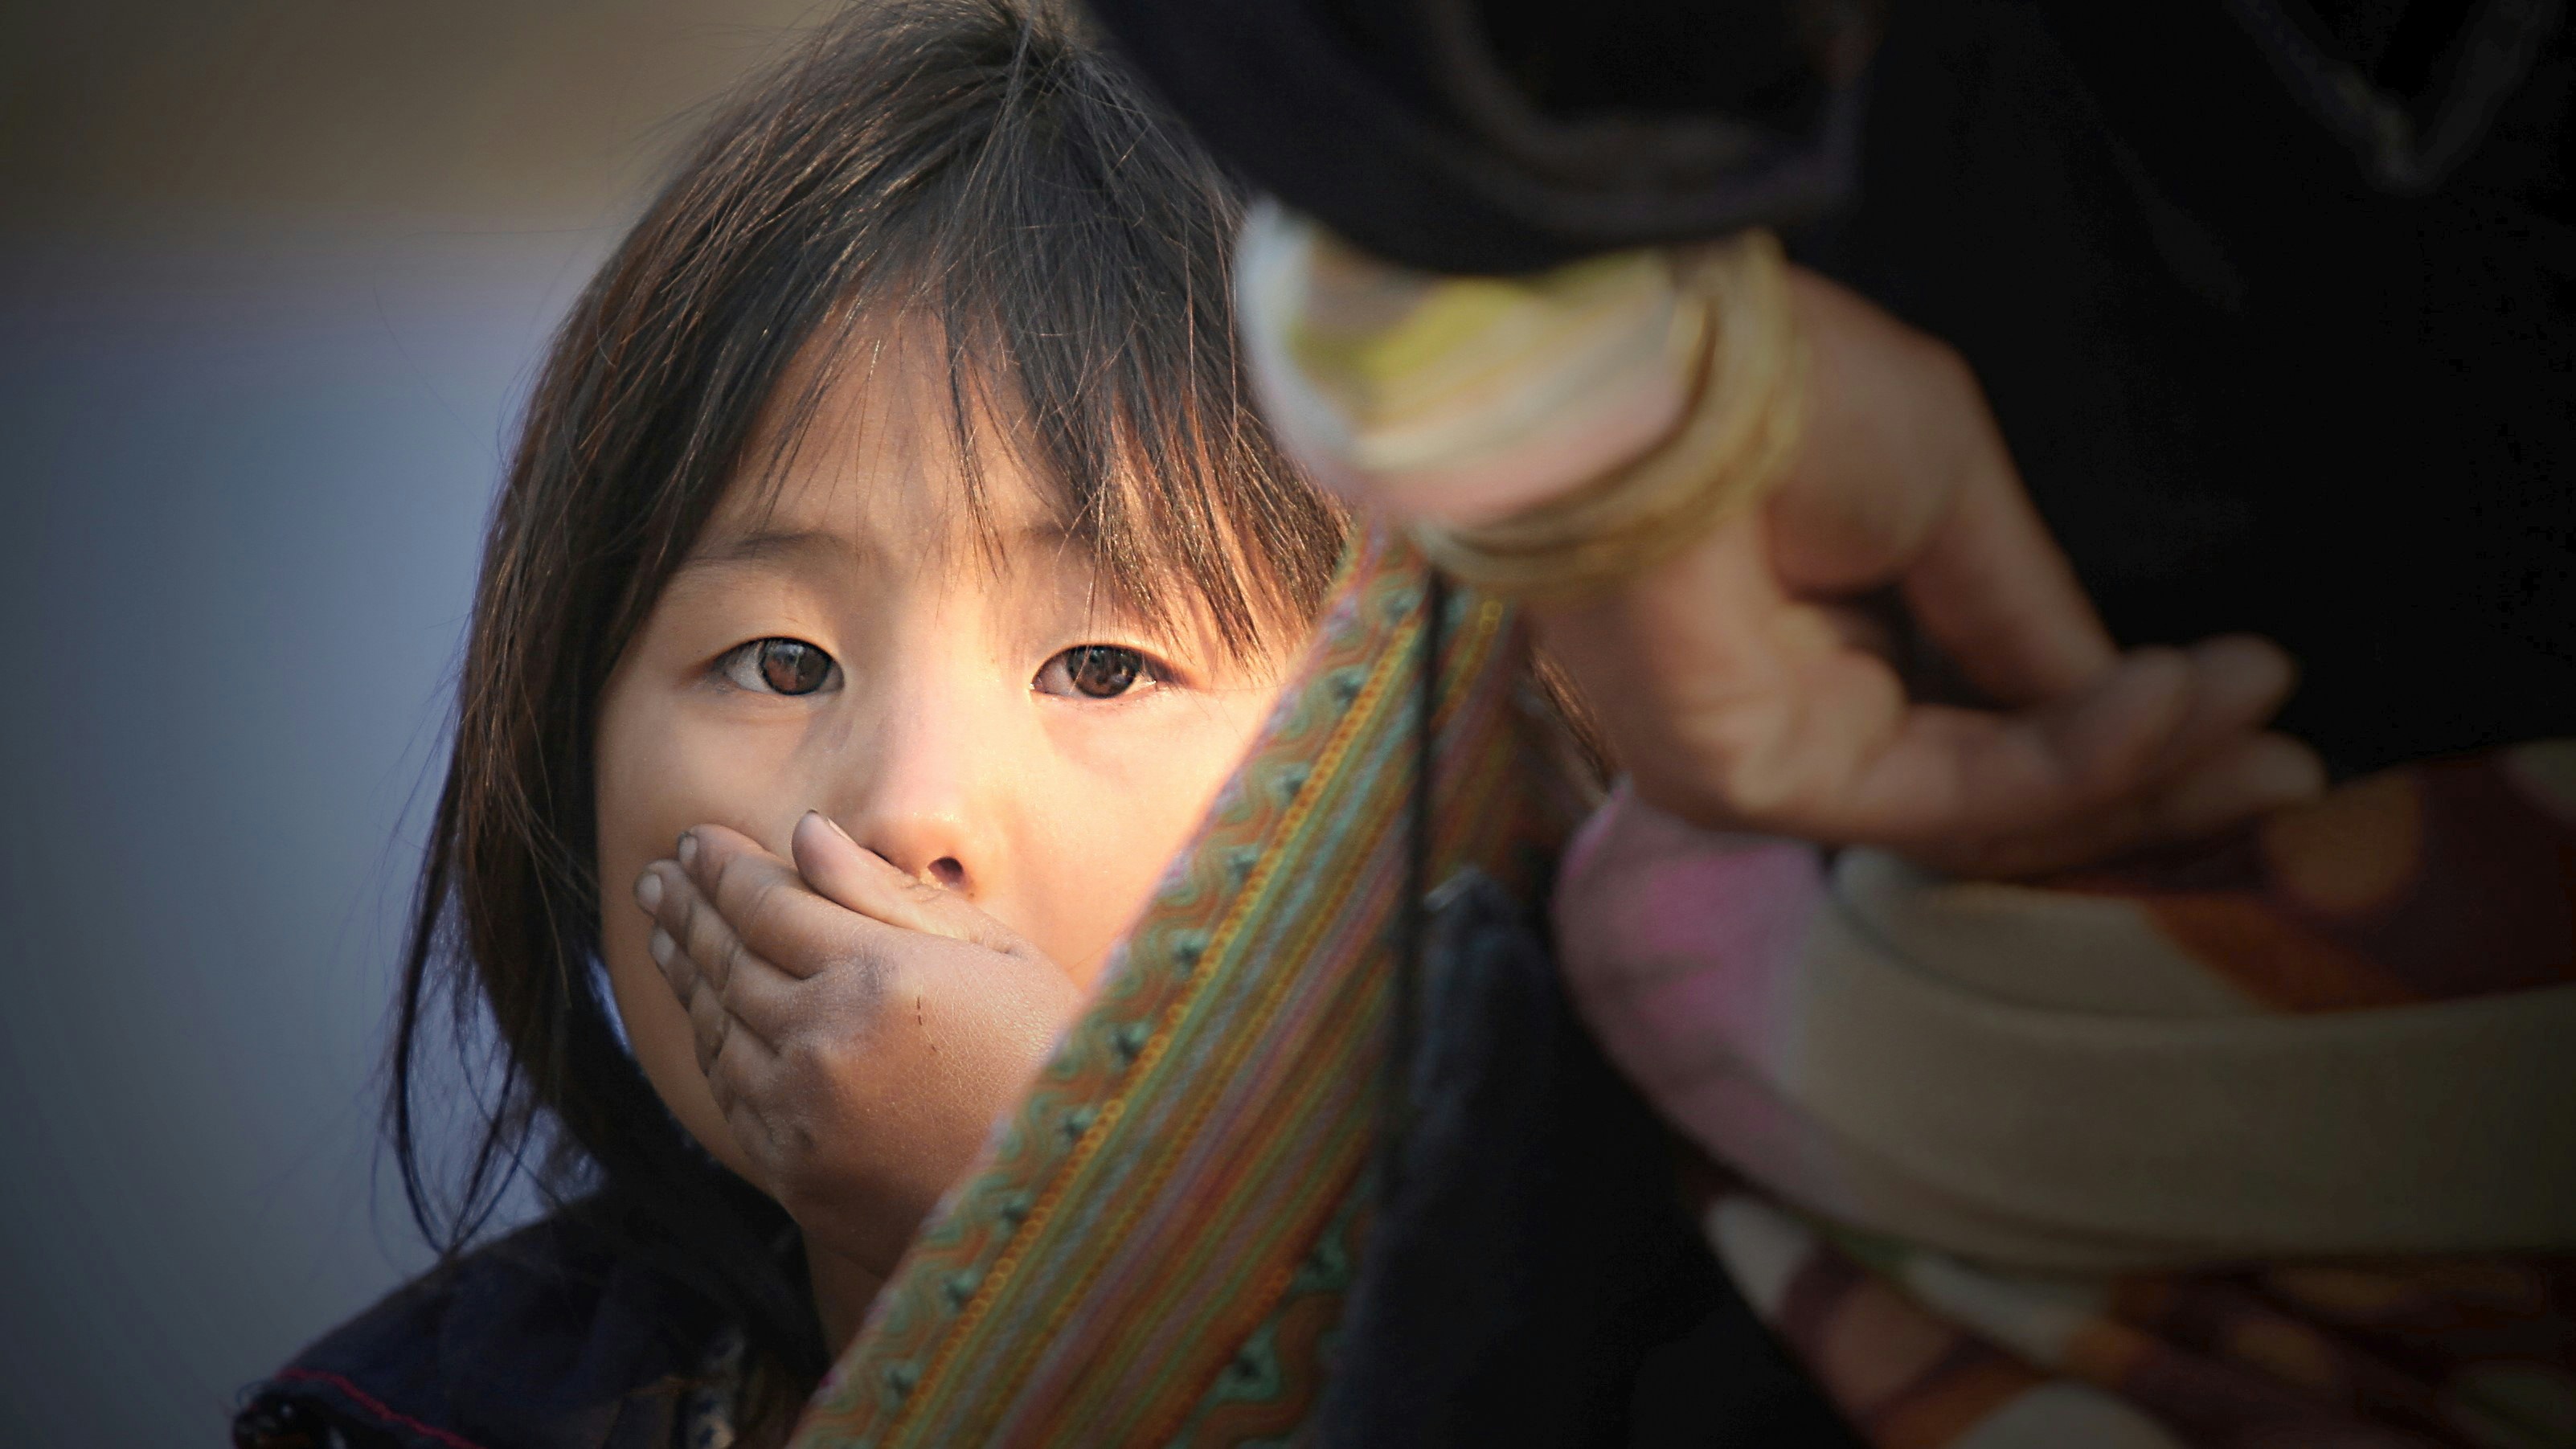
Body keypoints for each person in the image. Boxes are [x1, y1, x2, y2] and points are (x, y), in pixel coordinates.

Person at [232, 2, 1357, 1443]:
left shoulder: (1621, 1338)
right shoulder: (430, 1414)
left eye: (1100, 667)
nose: (904, 814)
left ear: (1375, 766)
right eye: (780, 663)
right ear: (565, 759)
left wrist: (1068, 1236)